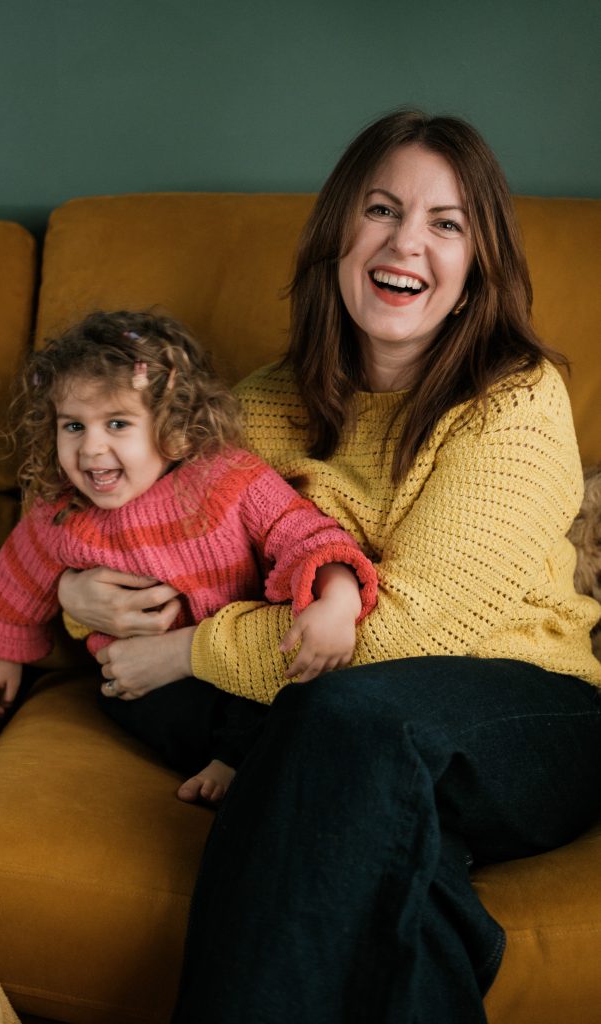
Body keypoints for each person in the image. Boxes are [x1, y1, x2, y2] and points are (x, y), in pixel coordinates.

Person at [57, 111, 601, 1022]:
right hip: (330, 724)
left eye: (446, 223)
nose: (405, 243)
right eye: (381, 210)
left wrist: (189, 653)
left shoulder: (512, 400)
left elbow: (411, 630)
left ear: (477, 268)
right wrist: (75, 592)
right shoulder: (262, 405)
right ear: (338, 235)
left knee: (334, 714)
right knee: (381, 845)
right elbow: (158, 536)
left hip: (524, 711)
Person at [0, 310, 377, 805]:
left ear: (177, 431)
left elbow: (302, 533)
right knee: (133, 700)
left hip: (236, 656)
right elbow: (21, 574)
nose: (91, 448)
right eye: (73, 425)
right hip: (143, 670)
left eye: (117, 423)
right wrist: (4, 655)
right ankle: (230, 758)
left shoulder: (228, 480)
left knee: (286, 693)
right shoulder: (59, 510)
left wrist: (336, 600)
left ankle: (238, 758)